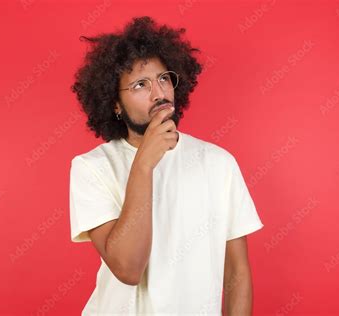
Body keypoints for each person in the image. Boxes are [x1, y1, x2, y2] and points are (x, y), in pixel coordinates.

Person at [69, 16, 264, 315]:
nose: (159, 93)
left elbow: (236, 273)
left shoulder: (219, 163)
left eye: (163, 78)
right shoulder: (91, 168)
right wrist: (143, 165)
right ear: (115, 104)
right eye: (140, 84)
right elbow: (128, 269)